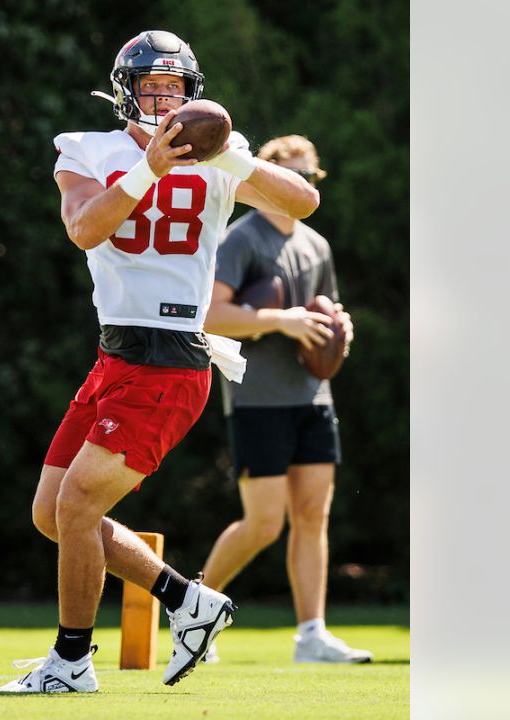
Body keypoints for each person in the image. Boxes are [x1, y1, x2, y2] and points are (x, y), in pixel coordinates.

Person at [0, 30, 320, 693]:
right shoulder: (88, 151)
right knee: (50, 511)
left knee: (78, 506)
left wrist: (231, 160)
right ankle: (188, 601)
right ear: (127, 93)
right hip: (114, 356)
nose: (163, 99)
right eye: (152, 88)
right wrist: (151, 171)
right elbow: (85, 227)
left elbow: (303, 202)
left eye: (174, 89)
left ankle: (71, 663)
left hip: (172, 360)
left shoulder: (219, 159)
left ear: (190, 96)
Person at [198, 135, 372, 664]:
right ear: (265, 176)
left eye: (309, 178)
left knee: (314, 515)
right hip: (258, 399)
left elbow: (329, 310)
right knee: (264, 523)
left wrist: (340, 325)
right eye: (291, 175)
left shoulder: (316, 245)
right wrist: (281, 321)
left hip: (313, 397)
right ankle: (190, 607)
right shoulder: (240, 238)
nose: (300, 186)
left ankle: (311, 635)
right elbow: (210, 316)